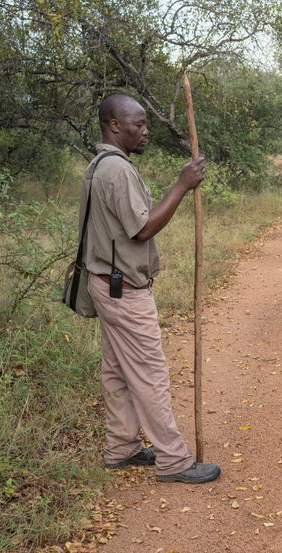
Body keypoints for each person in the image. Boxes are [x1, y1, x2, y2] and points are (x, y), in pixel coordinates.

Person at [79, 94, 220, 484]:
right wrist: (181, 184)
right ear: (114, 125)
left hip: (106, 284)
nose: (145, 132)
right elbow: (143, 229)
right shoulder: (116, 171)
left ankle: (120, 448)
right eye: (138, 125)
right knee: (150, 373)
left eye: (145, 124)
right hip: (123, 290)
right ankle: (174, 461)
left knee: (118, 371)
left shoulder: (99, 165)